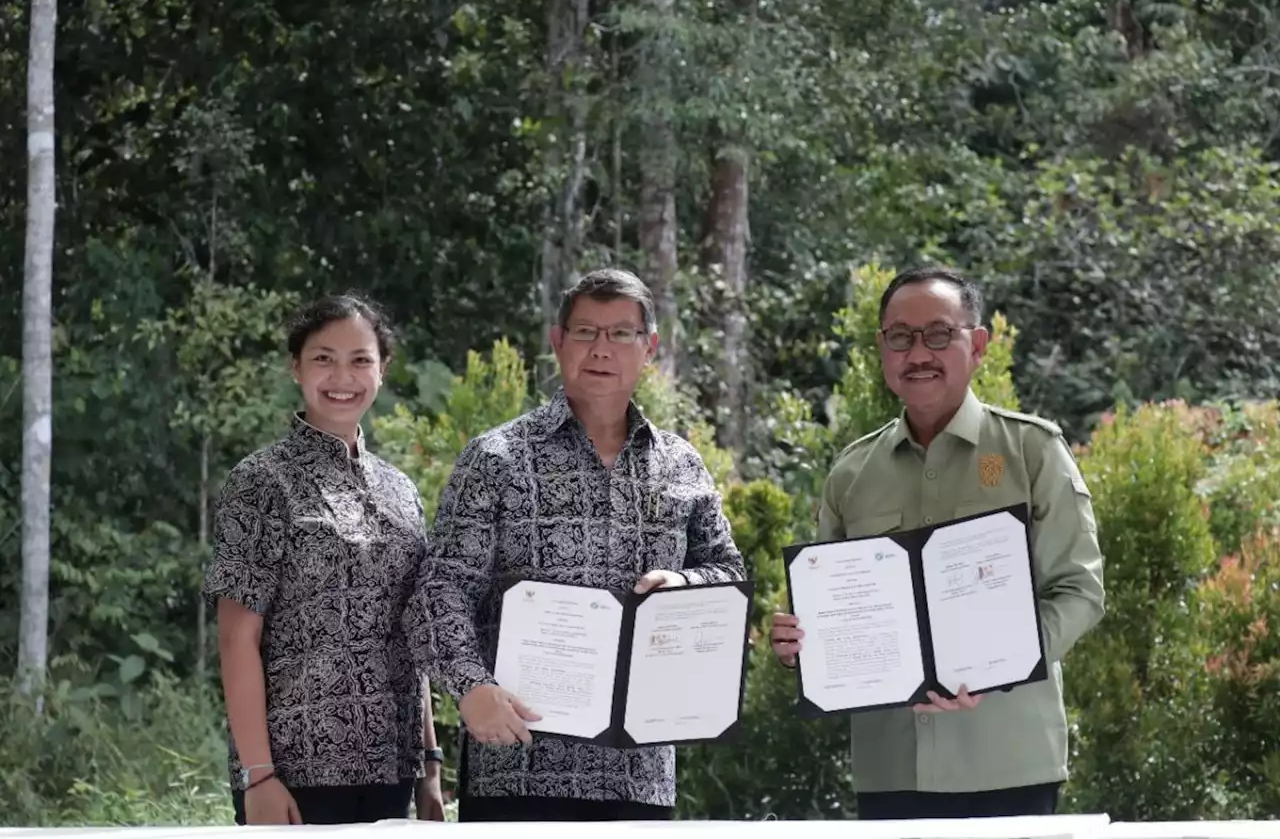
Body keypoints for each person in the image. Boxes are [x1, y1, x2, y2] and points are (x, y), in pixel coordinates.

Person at [404, 268, 746, 822]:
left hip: (638, 774)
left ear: (649, 347)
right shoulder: (497, 459)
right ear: (558, 342)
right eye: (586, 332)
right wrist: (470, 689)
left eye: (621, 334)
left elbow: (728, 574)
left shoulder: (681, 464)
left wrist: (682, 582)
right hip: (515, 767)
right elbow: (438, 592)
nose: (601, 350)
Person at [770, 266, 1105, 820]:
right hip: (890, 768)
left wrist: (1002, 667)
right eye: (900, 337)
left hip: (1008, 762)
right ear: (882, 349)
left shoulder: (1031, 452)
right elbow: (832, 607)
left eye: (938, 334)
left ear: (976, 346)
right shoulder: (852, 472)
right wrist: (800, 644)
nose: (917, 353)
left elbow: (1079, 590)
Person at [204, 294, 446, 825]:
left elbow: (414, 632)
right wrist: (259, 775)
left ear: (382, 369)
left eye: (360, 359)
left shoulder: (400, 490)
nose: (343, 376)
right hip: (296, 772)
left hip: (392, 769)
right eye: (323, 358)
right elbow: (235, 638)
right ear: (296, 367)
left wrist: (429, 765)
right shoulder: (261, 481)